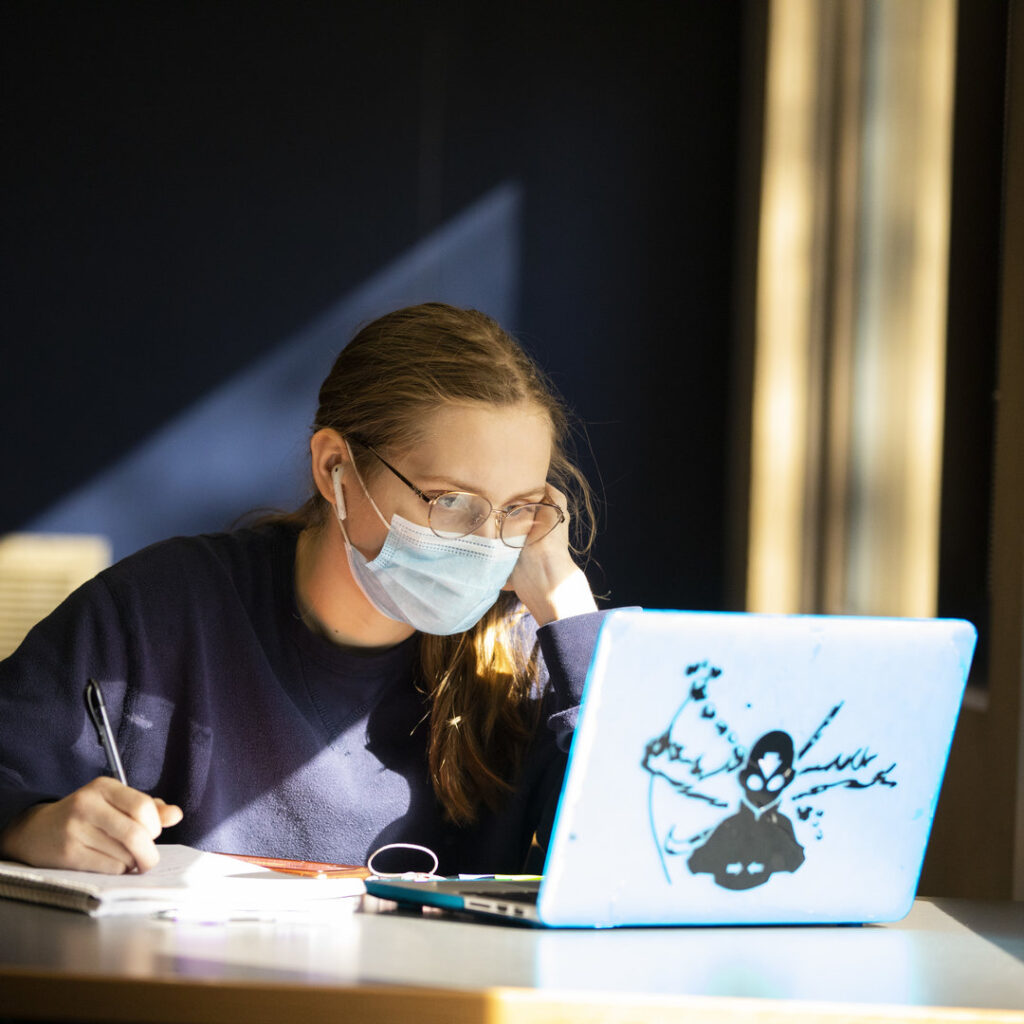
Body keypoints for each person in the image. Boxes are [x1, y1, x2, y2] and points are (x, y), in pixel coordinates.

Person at [0, 303, 606, 876]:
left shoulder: (524, 656)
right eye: (450, 502)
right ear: (333, 467)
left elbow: (646, 860)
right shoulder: (159, 611)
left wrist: (568, 609)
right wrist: (26, 828)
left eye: (519, 509)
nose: (485, 542)